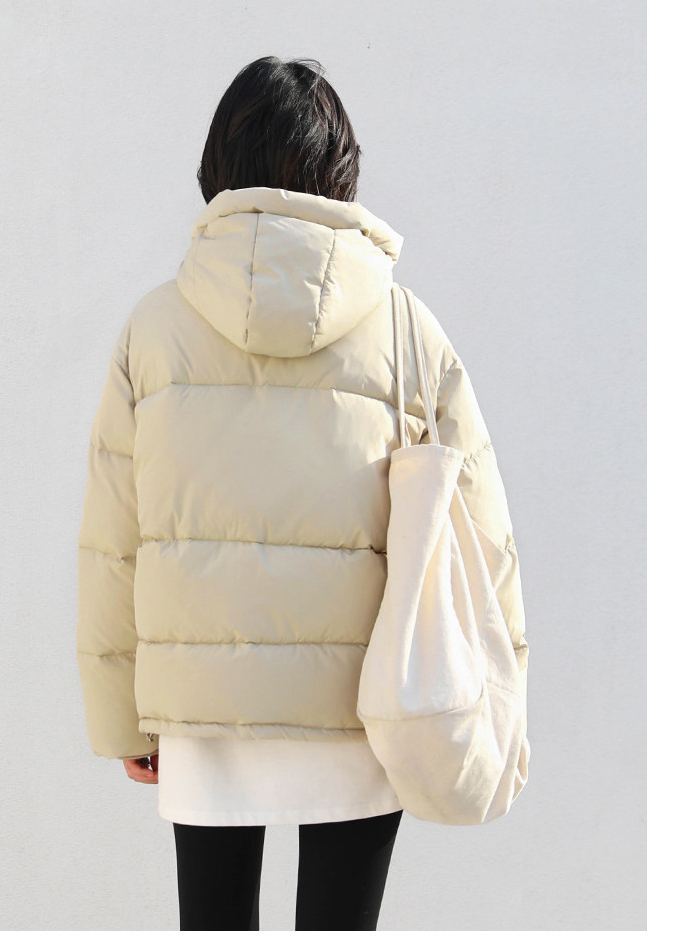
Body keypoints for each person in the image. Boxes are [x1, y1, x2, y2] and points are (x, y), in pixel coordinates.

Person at [76, 56, 528, 931]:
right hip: (365, 704)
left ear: (217, 165)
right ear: (340, 168)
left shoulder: (154, 328)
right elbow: (485, 532)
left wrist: (119, 716)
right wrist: (502, 693)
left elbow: (112, 541)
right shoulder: (408, 330)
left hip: (203, 708)